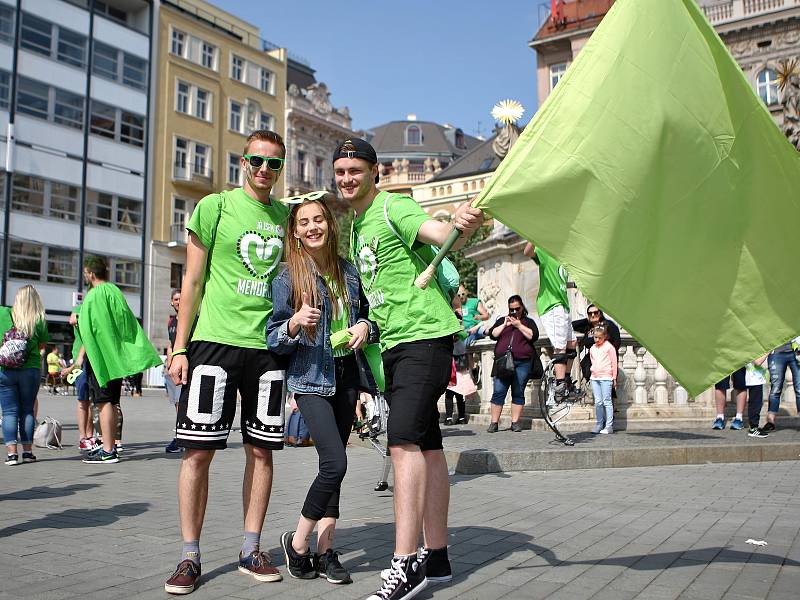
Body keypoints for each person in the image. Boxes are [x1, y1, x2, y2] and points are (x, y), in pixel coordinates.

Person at [334, 137, 484, 600]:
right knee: (428, 447)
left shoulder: (390, 208)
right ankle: (436, 557)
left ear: (375, 172)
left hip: (424, 338)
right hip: (396, 345)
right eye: (340, 171)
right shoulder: (356, 226)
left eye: (355, 170)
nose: (346, 178)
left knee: (401, 446)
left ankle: (405, 563)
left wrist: (460, 224)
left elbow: (438, 233)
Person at [165, 130, 290, 595]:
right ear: (243, 162)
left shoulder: (286, 217)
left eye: (273, 164)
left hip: (268, 351)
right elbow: (192, 281)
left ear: (281, 168)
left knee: (262, 452)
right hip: (214, 344)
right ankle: (189, 555)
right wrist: (179, 348)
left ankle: (250, 547)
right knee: (198, 452)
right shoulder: (214, 207)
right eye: (256, 161)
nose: (264, 170)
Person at [267, 194, 377, 585]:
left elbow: (370, 316)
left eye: (319, 220)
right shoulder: (286, 277)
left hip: (347, 377)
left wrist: (366, 326)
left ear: (330, 225)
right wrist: (295, 322)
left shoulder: (349, 272)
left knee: (333, 468)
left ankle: (326, 550)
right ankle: (297, 543)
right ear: (294, 232)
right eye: (303, 222)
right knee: (336, 463)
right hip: (310, 380)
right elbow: (274, 339)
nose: (312, 227)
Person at [79, 255, 161, 465]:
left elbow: (89, 331)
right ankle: (111, 445)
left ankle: (108, 450)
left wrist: (84, 357)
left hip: (101, 360)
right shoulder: (115, 291)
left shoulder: (93, 296)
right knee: (113, 402)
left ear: (89, 273)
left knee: (103, 403)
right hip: (115, 357)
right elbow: (127, 323)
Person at [0, 285, 48, 465]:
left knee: (9, 412)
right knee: (27, 410)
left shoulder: (3, 314)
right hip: (30, 370)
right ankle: (28, 453)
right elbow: (42, 347)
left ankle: (12, 455)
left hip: (5, 370)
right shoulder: (39, 319)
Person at [523, 242, 577, 397]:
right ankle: (559, 384)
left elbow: (562, 281)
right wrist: (535, 236)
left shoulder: (564, 260)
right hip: (552, 305)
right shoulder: (546, 253)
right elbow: (527, 251)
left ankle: (565, 379)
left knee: (572, 343)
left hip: (563, 305)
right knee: (560, 346)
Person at [486, 296, 539, 433]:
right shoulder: (502, 320)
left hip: (522, 363)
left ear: (522, 307)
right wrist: (504, 325)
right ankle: (494, 423)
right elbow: (493, 334)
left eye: (517, 309)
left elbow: (533, 336)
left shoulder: (528, 322)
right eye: (512, 309)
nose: (515, 312)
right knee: (498, 391)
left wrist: (519, 325)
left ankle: (515, 422)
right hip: (503, 362)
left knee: (518, 391)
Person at [61, 305, 96, 452]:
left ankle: (90, 436)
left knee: (93, 401)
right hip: (80, 361)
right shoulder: (80, 308)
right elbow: (72, 320)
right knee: (83, 400)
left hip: (95, 360)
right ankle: (83, 438)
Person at [762, 340, 800, 433]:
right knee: (775, 388)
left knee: (799, 388)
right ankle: (770, 421)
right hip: (776, 351)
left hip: (796, 351)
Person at [164, 289, 184, 453]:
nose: (178, 301)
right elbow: (170, 345)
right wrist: (168, 365)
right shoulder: (171, 322)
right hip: (172, 369)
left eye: (180, 299)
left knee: (181, 404)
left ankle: (181, 438)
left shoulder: (191, 319)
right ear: (172, 302)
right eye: (176, 299)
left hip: (184, 368)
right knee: (177, 404)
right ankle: (181, 436)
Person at [589, 325, 617, 434]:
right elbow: (592, 361)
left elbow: (614, 362)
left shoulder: (609, 347)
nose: (597, 340)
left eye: (599, 338)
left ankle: (609, 425)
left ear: (605, 336)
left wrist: (614, 377)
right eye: (595, 337)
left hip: (606, 377)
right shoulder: (592, 348)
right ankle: (599, 423)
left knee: (607, 401)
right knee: (598, 402)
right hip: (595, 377)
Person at [746, 354, 769, 438]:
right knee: (755, 404)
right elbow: (757, 362)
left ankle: (754, 427)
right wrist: (768, 351)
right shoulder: (751, 346)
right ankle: (753, 429)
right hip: (753, 378)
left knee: (756, 403)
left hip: (755, 377)